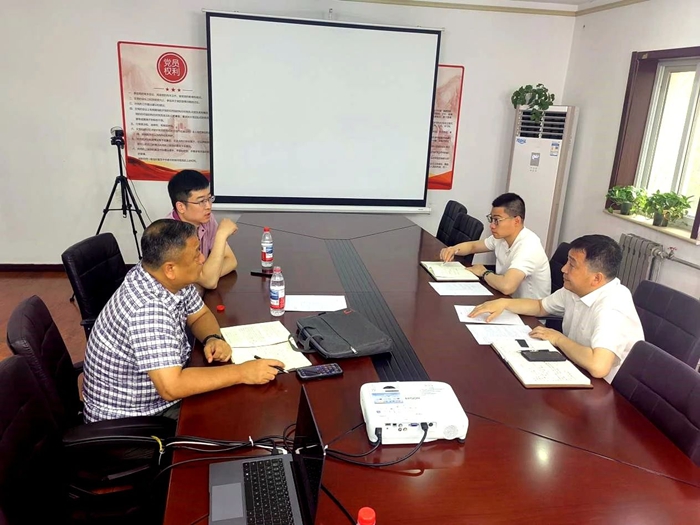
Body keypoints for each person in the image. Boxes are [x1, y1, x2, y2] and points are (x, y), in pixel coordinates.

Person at [82, 219, 284, 422]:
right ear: (170, 269)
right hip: (134, 418)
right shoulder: (148, 309)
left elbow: (200, 315)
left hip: (162, 391)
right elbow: (172, 387)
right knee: (239, 413)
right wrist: (242, 372)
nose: (202, 258)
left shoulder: (166, 277)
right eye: (196, 254)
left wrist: (212, 338)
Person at [470, 234, 643, 383]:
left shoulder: (612, 306)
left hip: (606, 389)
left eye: (572, 265)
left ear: (596, 278)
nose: (563, 269)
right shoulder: (576, 289)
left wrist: (557, 338)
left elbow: (599, 366)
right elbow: (540, 306)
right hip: (574, 368)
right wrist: (504, 303)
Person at [440, 193, 551, 299]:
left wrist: (484, 272)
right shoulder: (502, 238)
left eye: (497, 220)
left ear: (516, 221)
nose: (492, 226)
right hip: (505, 299)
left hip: (527, 310)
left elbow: (507, 287)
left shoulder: (528, 246)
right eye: (491, 219)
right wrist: (453, 249)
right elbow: (473, 246)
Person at [167, 169, 238, 289]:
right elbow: (209, 282)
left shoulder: (207, 219)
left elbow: (231, 261)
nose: (208, 206)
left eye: (209, 199)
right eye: (201, 201)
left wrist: (208, 276)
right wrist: (221, 235)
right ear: (181, 207)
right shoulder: (171, 234)